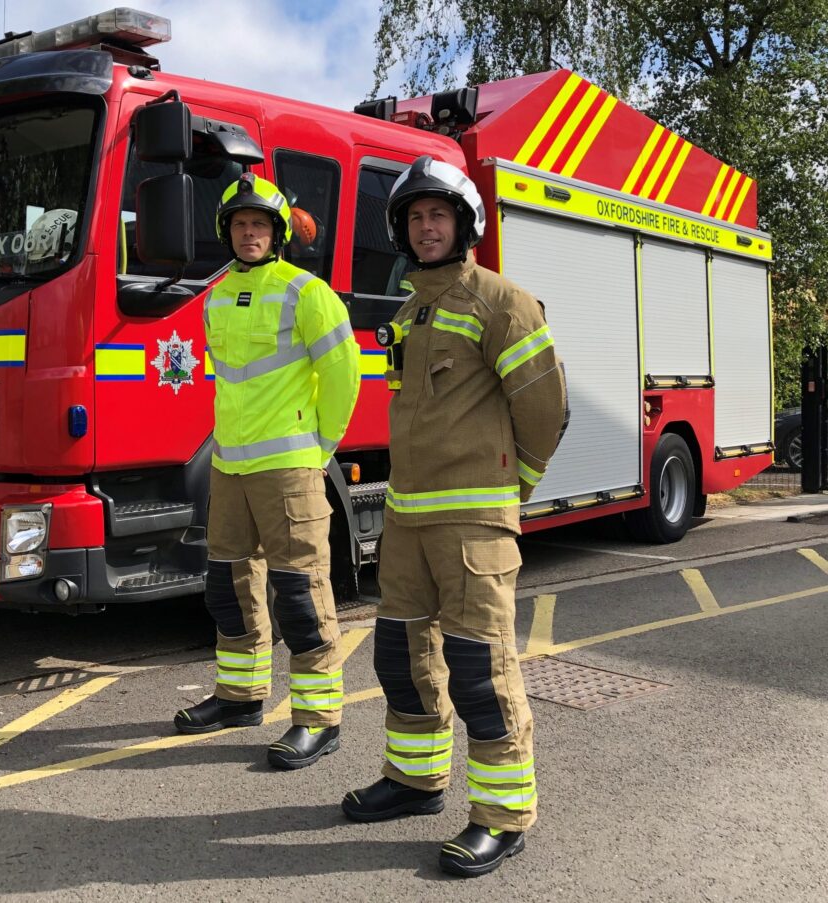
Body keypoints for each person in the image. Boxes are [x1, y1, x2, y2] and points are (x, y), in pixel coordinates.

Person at [341, 156, 569, 877]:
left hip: (472, 522)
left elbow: (546, 409)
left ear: (465, 223)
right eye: (414, 216)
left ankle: (502, 816)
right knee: (400, 657)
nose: (426, 226)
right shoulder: (408, 312)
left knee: (479, 669)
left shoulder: (502, 302)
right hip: (408, 518)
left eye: (438, 214)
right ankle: (416, 780)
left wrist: (511, 487)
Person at [173, 173, 361, 771]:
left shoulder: (307, 292)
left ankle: (318, 720)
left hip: (288, 468)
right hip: (229, 465)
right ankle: (240, 697)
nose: (248, 233)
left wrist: (319, 448)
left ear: (277, 234)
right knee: (229, 588)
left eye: (258, 225)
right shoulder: (217, 296)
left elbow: (344, 374)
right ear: (226, 233)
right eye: (239, 224)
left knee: (301, 595)